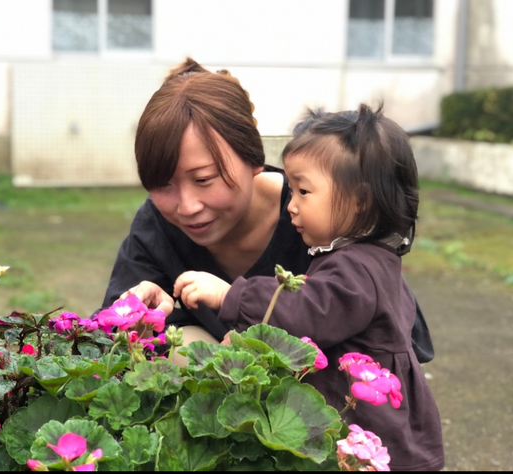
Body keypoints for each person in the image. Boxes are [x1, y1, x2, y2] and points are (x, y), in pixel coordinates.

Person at [101, 57, 434, 363]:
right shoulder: (156, 223)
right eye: (162, 184)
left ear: (253, 158)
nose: (187, 207)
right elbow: (104, 338)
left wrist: (247, 327)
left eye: (204, 179)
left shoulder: (325, 214)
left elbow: (399, 336)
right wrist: (145, 318)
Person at [172, 104, 445, 471]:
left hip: (373, 434)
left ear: (360, 200)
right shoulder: (365, 258)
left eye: (303, 191)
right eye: (291, 189)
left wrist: (230, 295)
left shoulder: (358, 269)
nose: (291, 205)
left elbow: (307, 313)